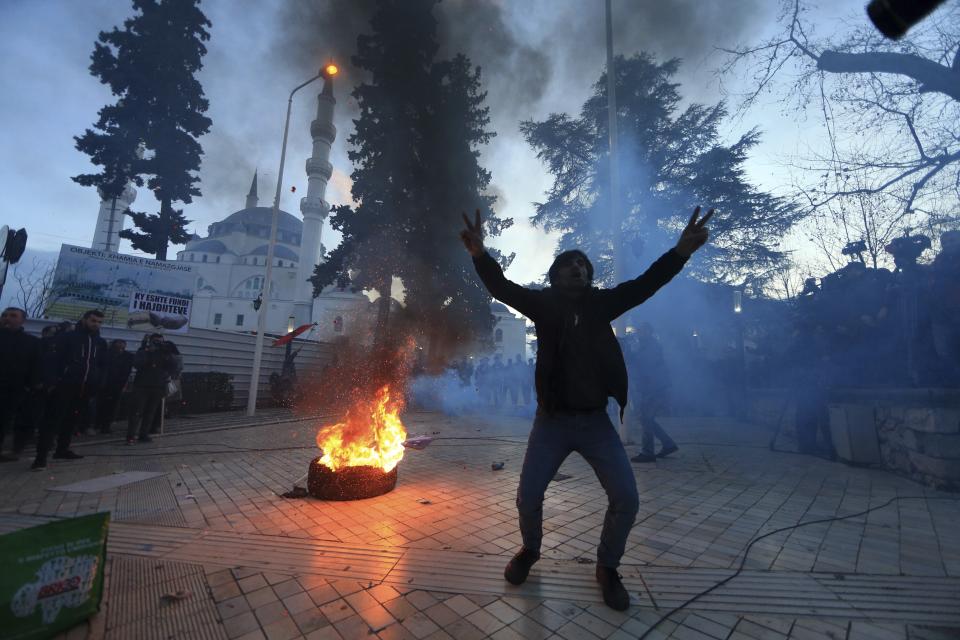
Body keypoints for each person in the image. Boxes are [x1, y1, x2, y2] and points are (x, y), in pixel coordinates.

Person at [460, 205, 712, 611]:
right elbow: (502, 289)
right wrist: (479, 255)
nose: (578, 267)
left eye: (583, 264)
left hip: (595, 423)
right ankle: (530, 550)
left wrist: (680, 251)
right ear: (556, 274)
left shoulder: (602, 304)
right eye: (569, 264)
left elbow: (647, 283)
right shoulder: (542, 306)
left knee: (627, 497)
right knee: (527, 497)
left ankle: (607, 568)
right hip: (552, 423)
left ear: (589, 274)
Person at [32, 310, 108, 470]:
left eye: (99, 322)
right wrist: (53, 382)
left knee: (71, 420)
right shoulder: (68, 338)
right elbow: (53, 361)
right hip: (64, 386)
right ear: (85, 319)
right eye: (93, 321)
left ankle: (62, 449)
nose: (96, 324)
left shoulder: (100, 342)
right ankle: (41, 457)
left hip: (85, 388)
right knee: (52, 421)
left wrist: (97, 383)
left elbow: (102, 365)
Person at [624, 323, 678, 463]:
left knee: (645, 418)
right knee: (646, 418)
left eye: (641, 331)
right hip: (651, 387)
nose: (638, 333)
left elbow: (643, 363)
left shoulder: (652, 346)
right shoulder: (645, 345)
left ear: (648, 331)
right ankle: (668, 444)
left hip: (654, 388)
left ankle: (648, 452)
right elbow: (633, 361)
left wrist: (629, 349)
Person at [0, 307, 39, 461]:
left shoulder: (31, 342)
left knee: (7, 420)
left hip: (14, 389)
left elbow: (35, 366)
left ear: (23, 320)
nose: (8, 318)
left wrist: (32, 385)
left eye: (13, 316)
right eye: (5, 315)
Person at [128, 334, 175, 444]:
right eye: (155, 341)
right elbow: (137, 364)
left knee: (150, 412)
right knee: (136, 412)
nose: (158, 343)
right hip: (142, 386)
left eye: (160, 342)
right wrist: (147, 351)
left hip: (158, 386)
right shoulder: (144, 351)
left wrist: (168, 352)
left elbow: (173, 366)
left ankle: (144, 434)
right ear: (150, 341)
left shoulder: (165, 353)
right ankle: (131, 435)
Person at [95, 339, 134, 434]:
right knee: (102, 404)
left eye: (123, 343)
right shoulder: (107, 354)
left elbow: (127, 370)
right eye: (119, 343)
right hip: (105, 384)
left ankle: (106, 425)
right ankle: (98, 424)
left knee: (112, 406)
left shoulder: (128, 356)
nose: (121, 345)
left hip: (118, 384)